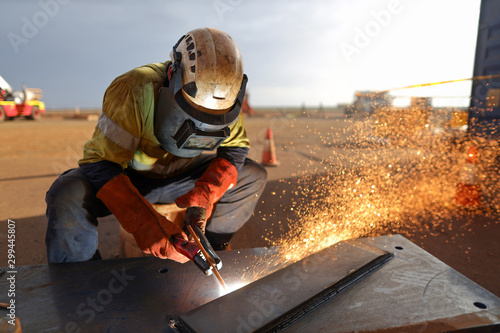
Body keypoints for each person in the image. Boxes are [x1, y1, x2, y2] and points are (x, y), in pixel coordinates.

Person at [45, 27, 267, 263]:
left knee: (252, 175)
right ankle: (81, 284)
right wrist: (143, 223)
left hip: (184, 181)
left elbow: (235, 150)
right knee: (67, 194)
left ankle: (209, 254)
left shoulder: (227, 99)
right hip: (130, 180)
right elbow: (101, 163)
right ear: (173, 74)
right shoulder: (133, 90)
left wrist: (206, 193)